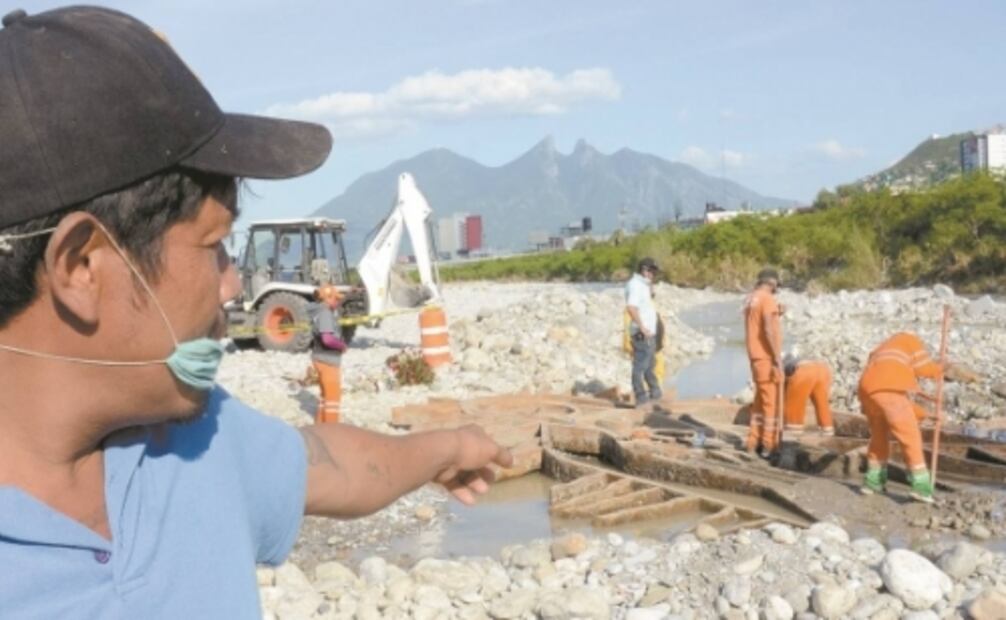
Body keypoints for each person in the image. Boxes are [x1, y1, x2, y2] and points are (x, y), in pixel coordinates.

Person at [0, 7, 511, 617]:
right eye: (214, 246)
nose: (232, 284)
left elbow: (335, 466)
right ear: (83, 266)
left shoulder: (195, 437)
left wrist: (450, 448)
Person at [858, 332, 943, 503]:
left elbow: (898, 407)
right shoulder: (910, 340)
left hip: (866, 391)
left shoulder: (882, 349)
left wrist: (926, 414)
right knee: (910, 438)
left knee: (879, 438)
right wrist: (941, 368)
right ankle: (921, 488)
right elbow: (924, 369)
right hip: (887, 389)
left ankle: (872, 483)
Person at [744, 268, 784, 458]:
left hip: (754, 355)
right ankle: (768, 444)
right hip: (766, 356)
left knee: (760, 399)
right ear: (772, 283)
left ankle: (753, 440)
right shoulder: (767, 299)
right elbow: (767, 329)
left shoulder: (751, 298)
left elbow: (758, 321)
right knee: (770, 402)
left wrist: (778, 312)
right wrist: (776, 357)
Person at [625, 257, 662, 407]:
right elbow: (631, 307)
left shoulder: (643, 285)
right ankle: (641, 397)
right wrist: (642, 327)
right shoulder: (635, 285)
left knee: (650, 364)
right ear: (645, 271)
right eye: (652, 272)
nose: (654, 275)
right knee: (640, 366)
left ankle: (655, 393)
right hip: (642, 333)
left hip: (649, 332)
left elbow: (646, 302)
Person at [309, 285, 348, 423]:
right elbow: (327, 339)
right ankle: (331, 430)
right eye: (336, 298)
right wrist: (341, 345)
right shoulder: (325, 313)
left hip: (320, 357)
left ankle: (319, 427)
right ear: (327, 298)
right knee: (333, 397)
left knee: (324, 396)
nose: (337, 301)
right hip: (328, 360)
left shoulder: (318, 311)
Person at [782, 350, 835, 436]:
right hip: (823, 369)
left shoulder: (781, 367)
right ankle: (827, 432)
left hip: (804, 371)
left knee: (794, 406)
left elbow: (781, 396)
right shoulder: (794, 360)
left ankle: (792, 437)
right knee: (822, 404)